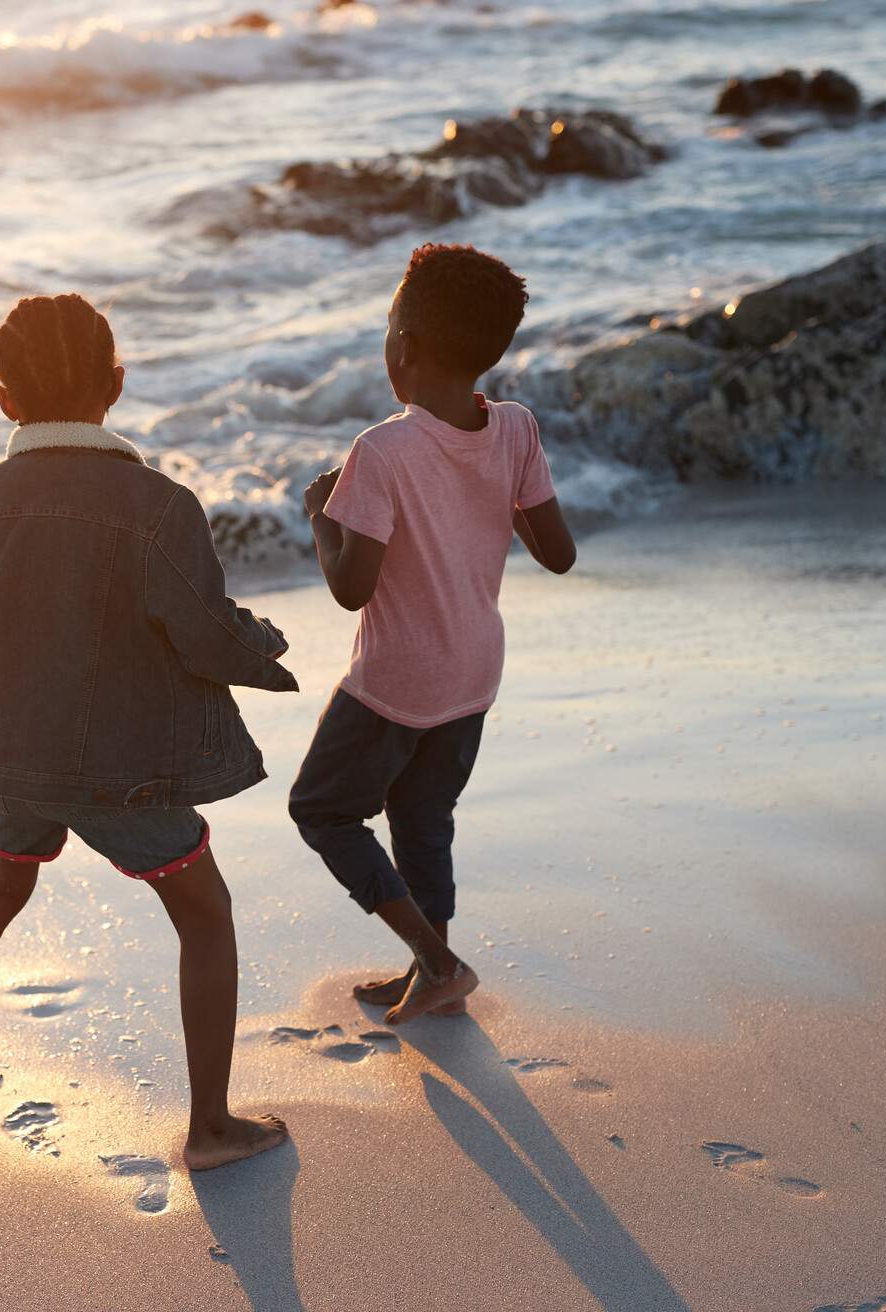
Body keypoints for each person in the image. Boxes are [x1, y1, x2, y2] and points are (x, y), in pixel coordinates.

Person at [0, 292, 296, 1171]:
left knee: (1, 883)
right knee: (204, 911)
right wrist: (264, 646)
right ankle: (213, 1126)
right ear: (117, 384)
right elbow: (203, 631)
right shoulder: (160, 504)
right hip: (124, 766)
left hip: (11, 753)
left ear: (3, 400)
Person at [289, 243, 577, 1026]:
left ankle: (439, 959)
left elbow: (351, 589)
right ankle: (431, 969)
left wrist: (321, 517)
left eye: (389, 330)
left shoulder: (381, 451)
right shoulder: (515, 428)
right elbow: (558, 553)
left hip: (398, 679)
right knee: (423, 817)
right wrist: (490, 489)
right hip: (474, 669)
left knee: (321, 809)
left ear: (404, 350)